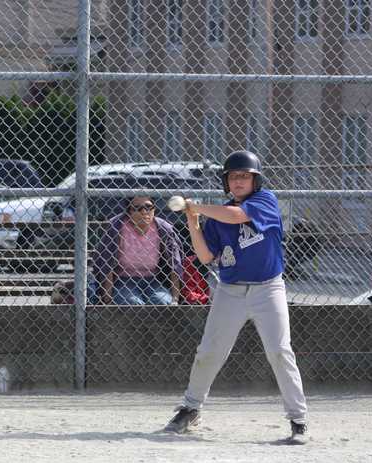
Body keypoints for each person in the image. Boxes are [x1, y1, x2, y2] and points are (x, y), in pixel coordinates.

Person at [162, 150, 309, 444]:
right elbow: (206, 256)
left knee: (280, 351)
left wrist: (196, 206)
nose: (238, 181)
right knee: (209, 351)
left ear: (256, 180)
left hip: (268, 289)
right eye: (232, 177)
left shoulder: (265, 200)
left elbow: (238, 216)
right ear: (226, 182)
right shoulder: (216, 218)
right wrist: (193, 221)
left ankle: (298, 419)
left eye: (244, 176)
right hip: (230, 291)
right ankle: (190, 408)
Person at [90, 195, 183, 305]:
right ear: (129, 211)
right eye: (137, 208)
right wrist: (107, 298)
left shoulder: (163, 228)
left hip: (154, 278)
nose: (144, 211)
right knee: (133, 303)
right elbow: (107, 262)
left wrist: (175, 299)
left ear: (154, 209)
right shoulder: (117, 227)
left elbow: (174, 263)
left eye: (148, 207)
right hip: (124, 279)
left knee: (162, 302)